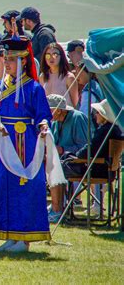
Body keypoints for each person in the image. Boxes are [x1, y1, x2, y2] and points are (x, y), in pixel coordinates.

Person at [0, 37, 52, 252]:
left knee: (23, 187)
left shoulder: (34, 88)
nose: (8, 63)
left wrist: (43, 124)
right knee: (3, 185)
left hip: (24, 142)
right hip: (2, 140)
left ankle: (24, 239)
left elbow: (43, 114)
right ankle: (8, 235)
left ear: (24, 61)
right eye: (6, 59)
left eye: (12, 60)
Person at [47, 94, 88, 223]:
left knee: (55, 168)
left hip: (80, 164)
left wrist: (64, 149)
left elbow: (85, 146)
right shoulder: (54, 122)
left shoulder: (77, 118)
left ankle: (57, 209)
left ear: (58, 110)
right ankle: (56, 205)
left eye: (49, 110)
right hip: (63, 162)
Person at [39, 43, 79, 108]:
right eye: (48, 55)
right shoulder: (42, 77)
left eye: (55, 54)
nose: (51, 58)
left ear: (61, 57)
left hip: (65, 116)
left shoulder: (69, 77)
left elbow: (75, 105)